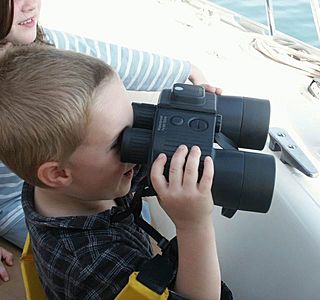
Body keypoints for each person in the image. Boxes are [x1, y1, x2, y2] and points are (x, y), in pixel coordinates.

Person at [0, 45, 222, 299]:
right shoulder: (90, 265)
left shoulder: (66, 186)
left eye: (135, 120)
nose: (134, 148)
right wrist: (194, 225)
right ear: (59, 173)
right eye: (120, 142)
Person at [0, 0, 221, 250]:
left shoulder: (40, 43)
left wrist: (186, 72)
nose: (29, 4)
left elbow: (110, 60)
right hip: (13, 206)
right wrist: (195, 226)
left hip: (49, 184)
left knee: (133, 213)